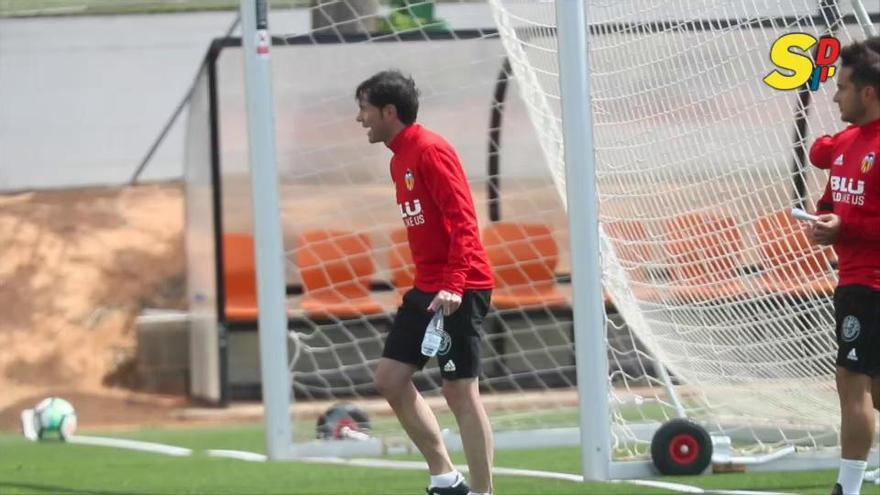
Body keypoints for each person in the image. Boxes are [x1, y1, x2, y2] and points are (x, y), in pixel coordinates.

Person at [355, 69, 496, 495]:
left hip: (461, 286)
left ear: (388, 111)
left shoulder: (431, 150)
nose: (360, 119)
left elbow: (464, 223)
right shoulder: (398, 159)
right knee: (390, 380)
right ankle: (445, 477)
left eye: (364, 109)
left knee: (459, 392)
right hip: (427, 286)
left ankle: (483, 491)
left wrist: (454, 283)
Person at [807, 36, 880, 495]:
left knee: (850, 381)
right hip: (854, 280)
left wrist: (844, 230)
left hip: (869, 283)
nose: (835, 95)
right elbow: (823, 160)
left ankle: (847, 489)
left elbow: (853, 219)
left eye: (844, 87)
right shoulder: (847, 141)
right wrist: (825, 219)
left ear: (869, 92)